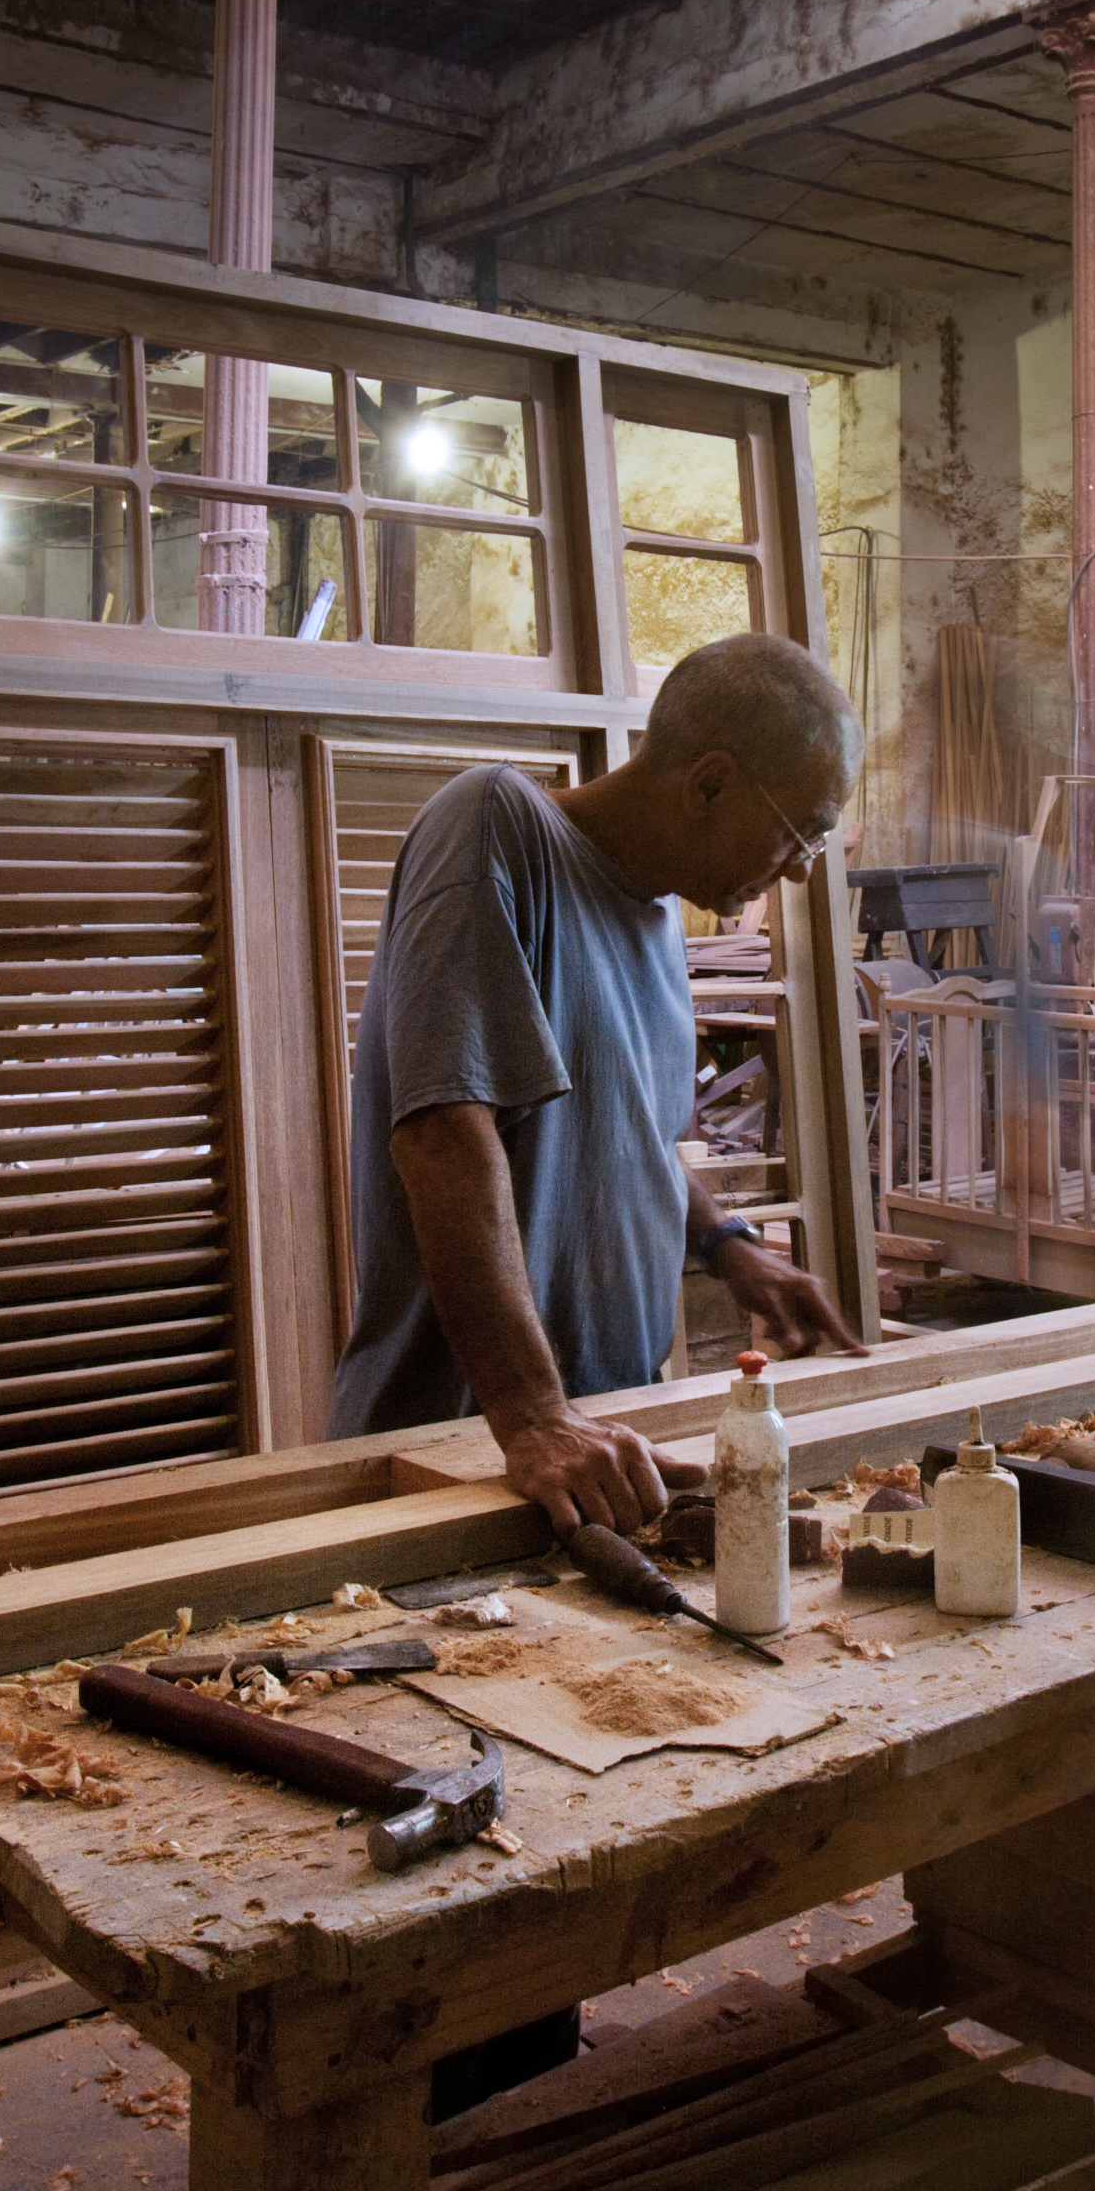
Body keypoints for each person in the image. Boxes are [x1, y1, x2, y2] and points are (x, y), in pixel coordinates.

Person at [328, 632, 869, 1539]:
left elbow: (629, 1138)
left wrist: (731, 1246)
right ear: (707, 783)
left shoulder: (659, 922)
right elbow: (444, 1131)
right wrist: (535, 1417)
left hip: (597, 1454)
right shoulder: (496, 824)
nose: (804, 866)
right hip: (467, 1449)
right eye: (800, 830)